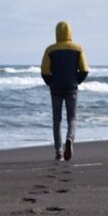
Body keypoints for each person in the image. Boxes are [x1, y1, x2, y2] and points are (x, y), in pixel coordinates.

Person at [41, 21, 89, 161]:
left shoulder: (50, 50)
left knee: (57, 120)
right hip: (71, 88)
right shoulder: (78, 48)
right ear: (70, 33)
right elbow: (84, 69)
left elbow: (44, 71)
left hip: (55, 89)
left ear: (57, 33)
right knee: (72, 118)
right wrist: (76, 81)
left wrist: (51, 83)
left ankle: (59, 152)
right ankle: (69, 138)